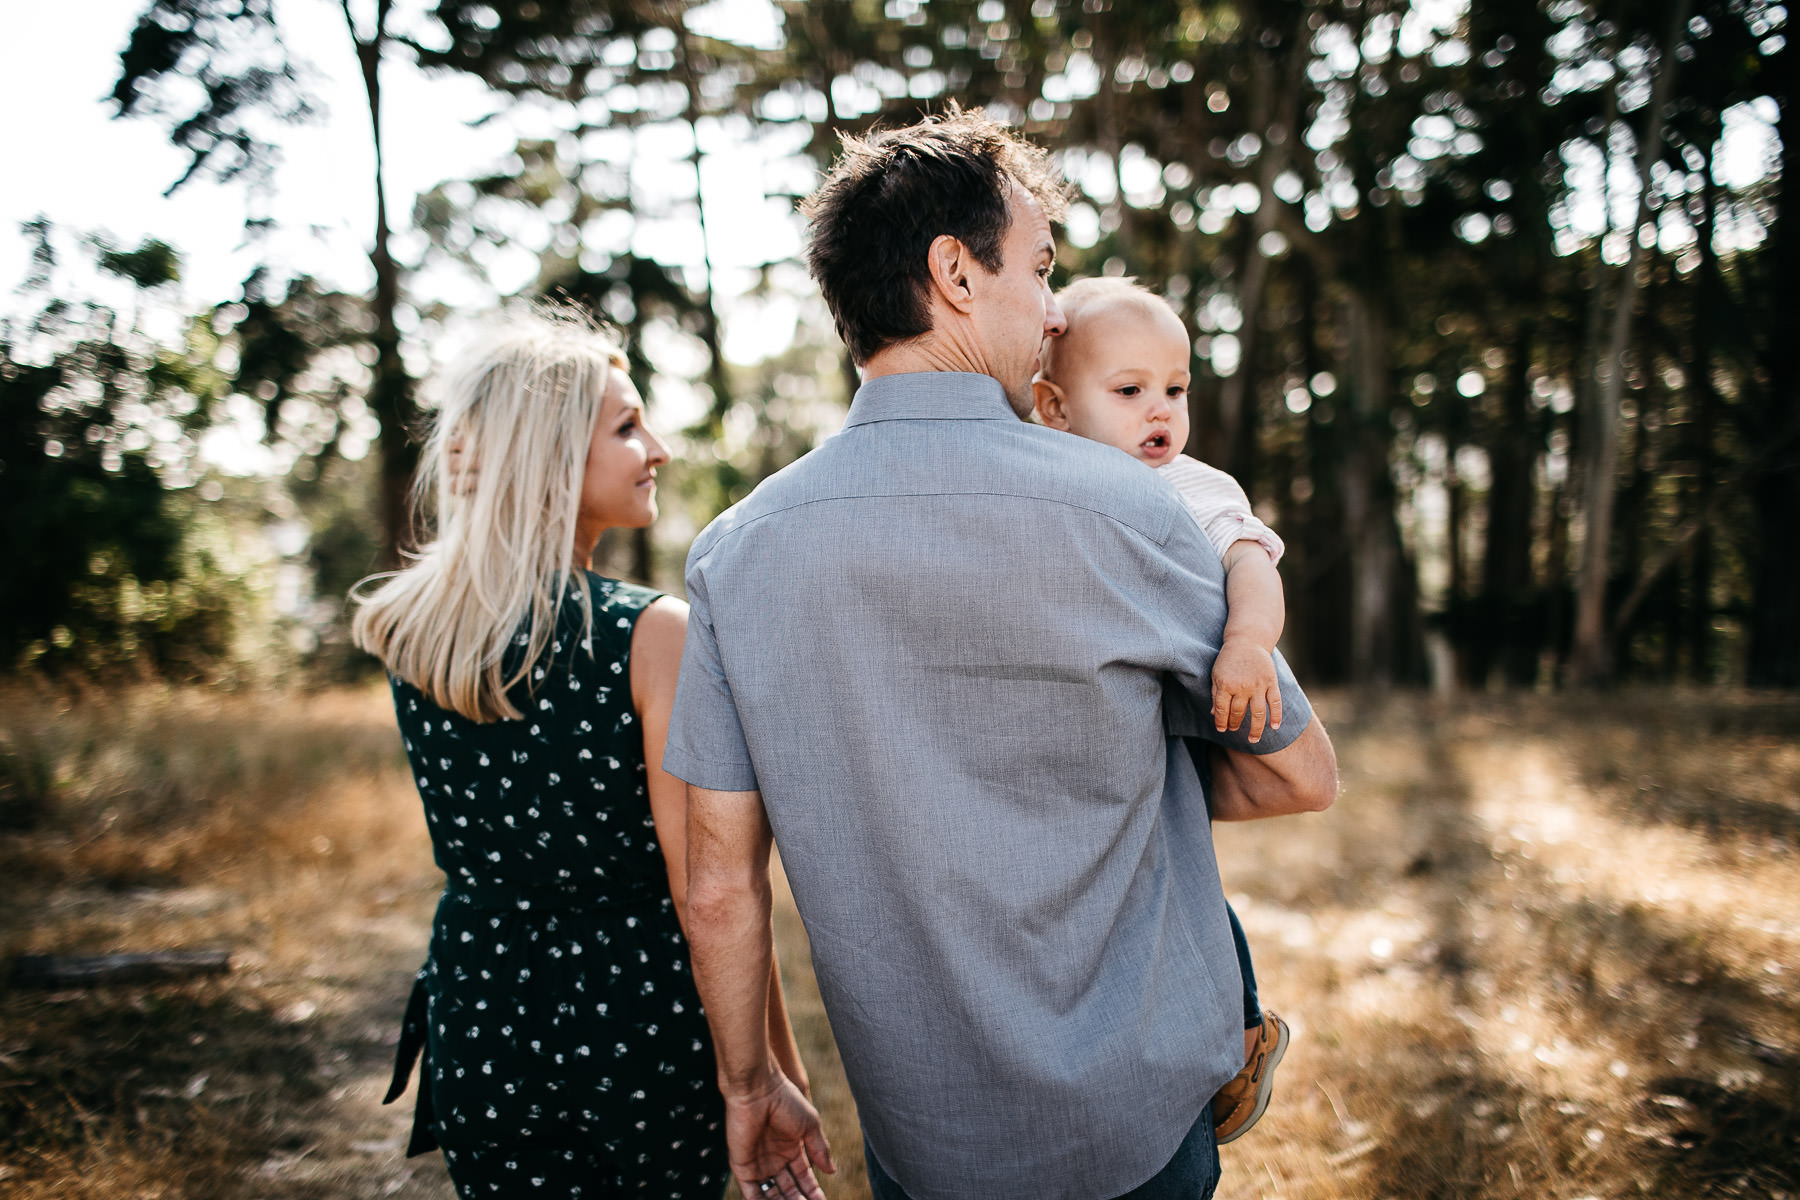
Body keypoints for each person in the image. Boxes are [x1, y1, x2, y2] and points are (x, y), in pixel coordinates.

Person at [666, 109, 1337, 1200]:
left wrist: (751, 1088)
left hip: (928, 1140)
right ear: (955, 274)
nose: (1057, 304)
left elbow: (718, 886)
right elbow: (1299, 775)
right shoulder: (1134, 511)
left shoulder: (736, 557)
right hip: (1137, 1125)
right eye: (1039, 265)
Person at [351, 308, 807, 1200]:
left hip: (478, 1007)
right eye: (629, 425)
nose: (659, 449)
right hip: (634, 1021)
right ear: (551, 452)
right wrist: (765, 1075)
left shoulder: (410, 629)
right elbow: (710, 889)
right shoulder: (650, 634)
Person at [1032, 275, 1294, 1145]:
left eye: (1175, 390)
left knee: (1179, 879)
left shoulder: (1188, 485)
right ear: (1053, 406)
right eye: (1131, 391)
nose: (1161, 413)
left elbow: (1251, 560)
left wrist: (1249, 643)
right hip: (1078, 726)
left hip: (1180, 715)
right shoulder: (1041, 479)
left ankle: (1240, 1029)